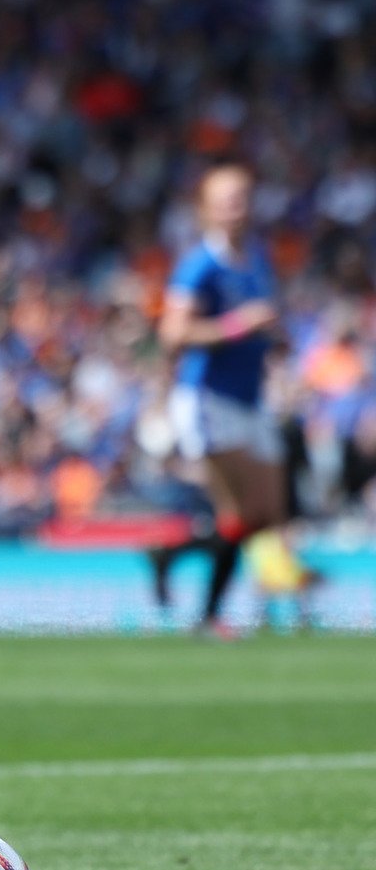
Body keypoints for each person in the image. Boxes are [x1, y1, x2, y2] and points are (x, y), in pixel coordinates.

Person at [147, 163, 309, 638]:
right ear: (205, 210)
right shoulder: (200, 264)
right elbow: (173, 333)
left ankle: (182, 571)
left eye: (241, 198)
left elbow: (262, 321)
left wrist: (274, 339)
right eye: (224, 201)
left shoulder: (256, 257)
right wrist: (239, 325)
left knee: (264, 516)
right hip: (209, 397)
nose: (234, 209)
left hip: (251, 396)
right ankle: (217, 611)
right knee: (245, 515)